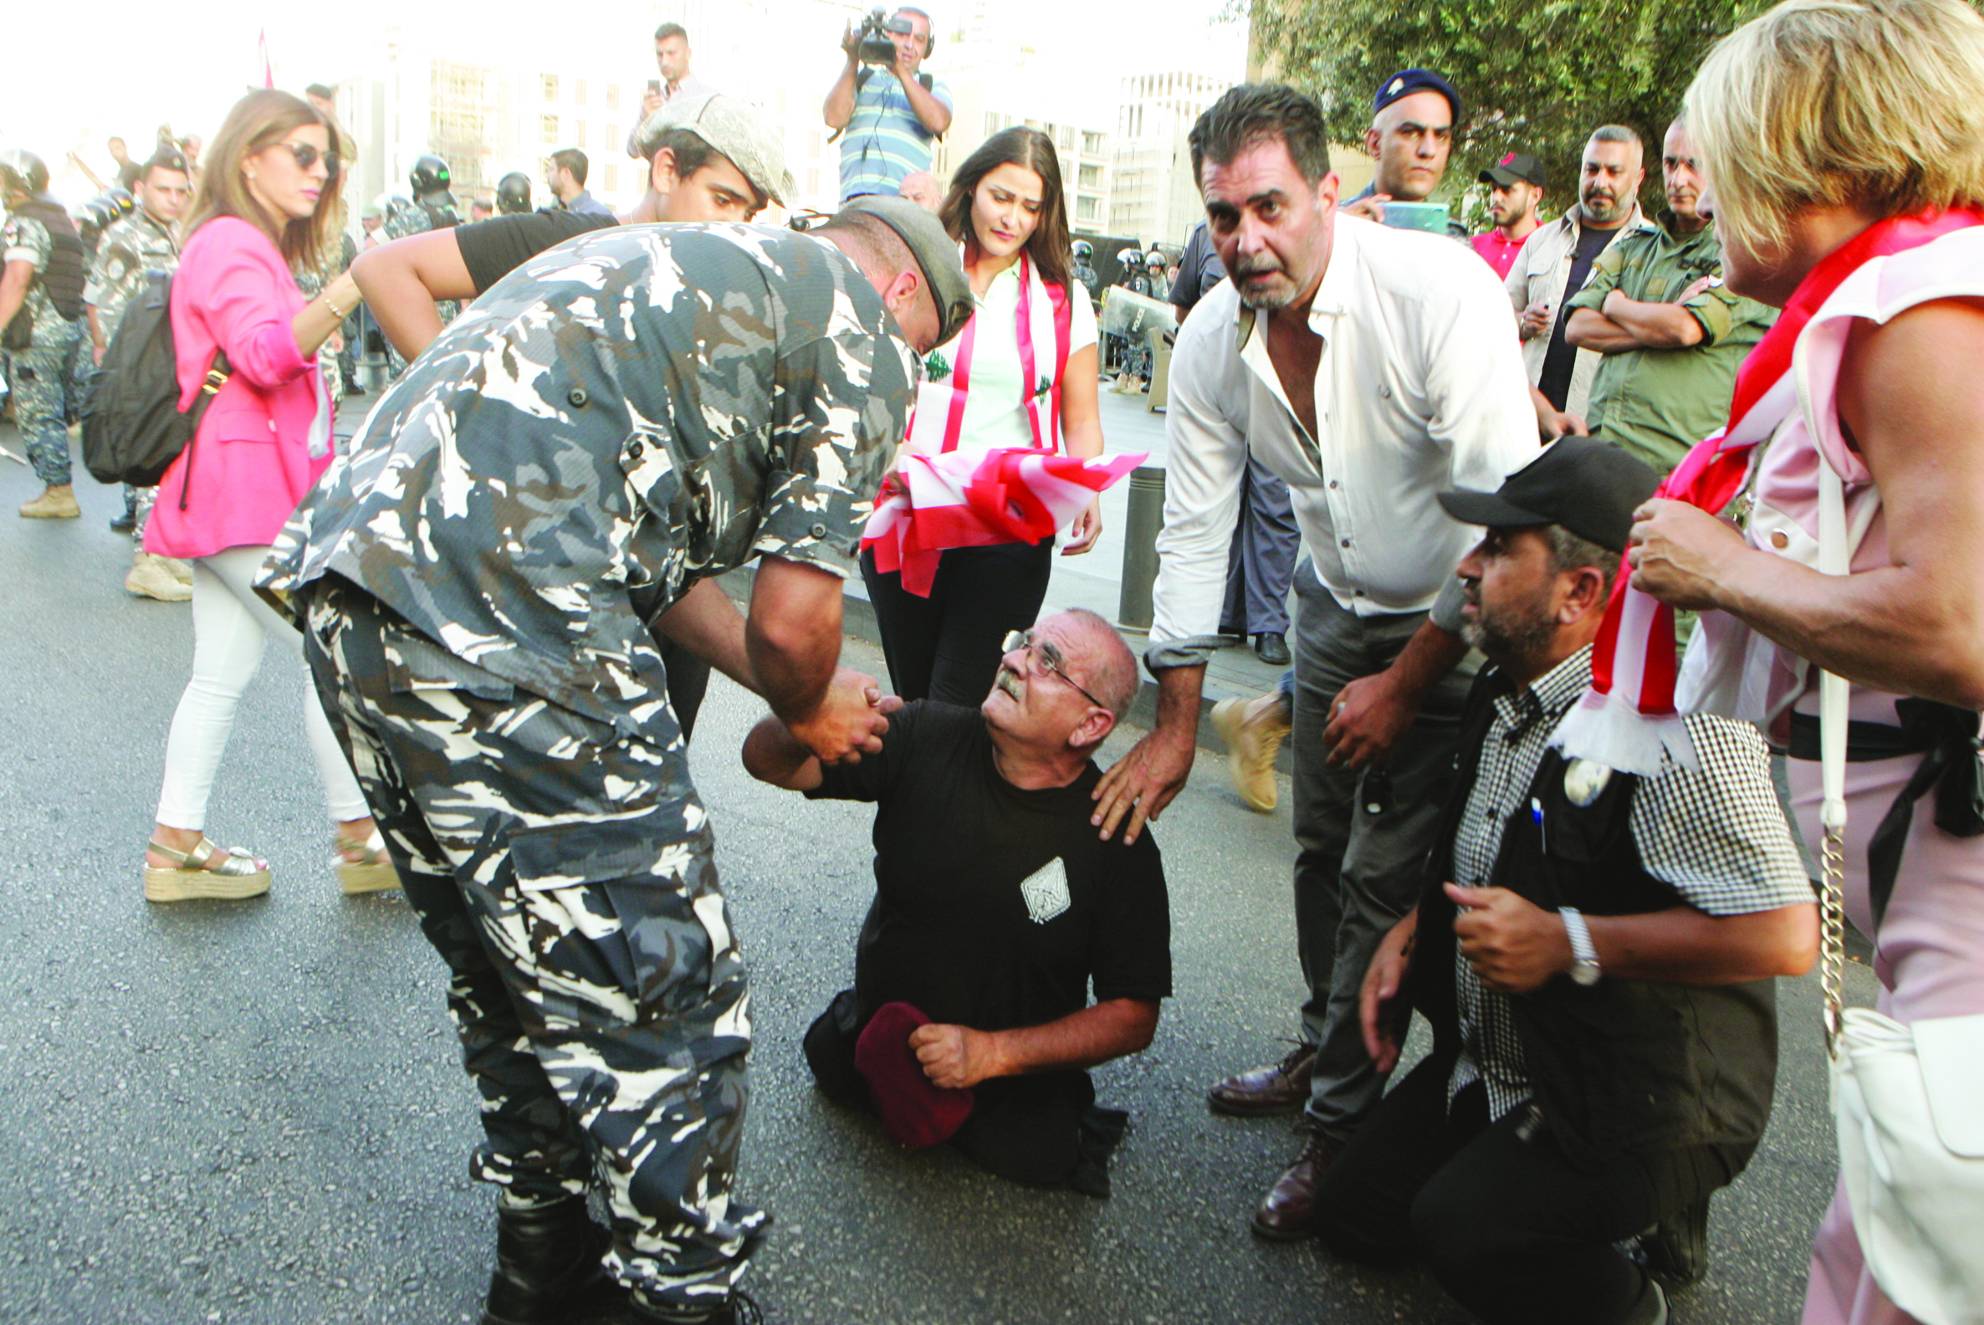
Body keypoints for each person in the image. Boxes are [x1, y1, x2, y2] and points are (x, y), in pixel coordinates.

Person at [259, 196, 971, 1325]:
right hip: (512, 617)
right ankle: (680, 1298)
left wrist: (773, 682)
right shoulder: (861, 325)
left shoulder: (656, 260)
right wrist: (808, 712)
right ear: (902, 293)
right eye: (924, 345)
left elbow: (665, 565)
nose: (909, 369)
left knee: (513, 963)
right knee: (662, 983)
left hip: (357, 593)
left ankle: (542, 1266)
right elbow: (795, 624)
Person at [1089, 84, 1536, 1238]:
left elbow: (1503, 523)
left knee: (1382, 876)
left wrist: (1407, 678)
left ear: (1332, 190)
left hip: (1458, 614)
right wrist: (1178, 718)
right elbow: (1192, 528)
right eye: (1223, 216)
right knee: (1318, 847)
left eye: (1270, 207)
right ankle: (1321, 1036)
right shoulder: (1206, 338)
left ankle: (1340, 1130)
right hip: (1328, 606)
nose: (1245, 241)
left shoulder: (1442, 292)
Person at [1609, 3, 1984, 1321]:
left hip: (1959, 872)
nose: (1700, 191)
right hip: (1923, 871)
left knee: (1902, 1256)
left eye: (1721, 155)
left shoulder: (1926, 308)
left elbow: (1959, 626)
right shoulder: (1908, 293)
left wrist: (1715, 567)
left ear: (1808, 154)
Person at [1314, 437, 1818, 1325]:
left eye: (1502, 548)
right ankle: (1539, 1183)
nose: (1467, 566)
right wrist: (1411, 935)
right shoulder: (1509, 682)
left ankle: (1636, 1294)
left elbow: (1785, 935)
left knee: (1464, 1234)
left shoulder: (1680, 726)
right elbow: (1478, 843)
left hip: (1641, 1091)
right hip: (1510, 1058)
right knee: (1355, 1211)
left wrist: (1567, 941)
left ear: (1581, 592)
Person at [351, 92, 795, 742]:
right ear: (667, 170)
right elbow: (386, 269)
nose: (732, 225)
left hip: (667, 610)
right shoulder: (572, 244)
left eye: (747, 212)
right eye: (722, 199)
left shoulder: (712, 288)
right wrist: (499, 411)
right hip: (553, 607)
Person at [745, 609, 1168, 1195]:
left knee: (1037, 1156)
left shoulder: (1114, 837)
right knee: (832, 1063)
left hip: (1010, 1086)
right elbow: (767, 763)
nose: (1015, 660)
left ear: (1088, 724)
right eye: (1025, 643)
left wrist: (990, 1055)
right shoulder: (925, 734)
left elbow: (1133, 1016)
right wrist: (806, 714)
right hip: (878, 1043)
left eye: (1049, 662)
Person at [133, 89, 388, 904]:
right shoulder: (233, 244)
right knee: (335, 656)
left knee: (221, 670)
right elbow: (265, 354)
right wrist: (352, 287)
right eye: (303, 155)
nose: (321, 172)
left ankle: (176, 843)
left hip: (230, 497)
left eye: (328, 159)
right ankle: (360, 836)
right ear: (250, 157)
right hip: (245, 499)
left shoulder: (238, 245)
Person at [858, 126, 1107, 707]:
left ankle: (925, 797)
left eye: (1030, 206)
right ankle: (914, 800)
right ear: (970, 188)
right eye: (1001, 197)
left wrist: (1088, 482)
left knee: (957, 708)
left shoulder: (1063, 297)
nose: (1011, 219)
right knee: (917, 704)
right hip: (908, 515)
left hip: (1009, 528)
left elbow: (1082, 415)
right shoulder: (916, 270)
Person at [1563, 119, 1776, 475]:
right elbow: (1577, 327)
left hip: (1678, 469)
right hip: (1603, 451)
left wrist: (1617, 305)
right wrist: (1660, 322)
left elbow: (1684, 330)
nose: (1678, 179)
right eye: (1671, 163)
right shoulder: (1636, 246)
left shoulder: (1743, 251)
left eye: (1694, 164)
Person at [84, 147, 194, 598]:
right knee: (153, 453)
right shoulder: (123, 238)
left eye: (180, 191)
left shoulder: (178, 234)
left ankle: (165, 550)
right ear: (140, 188)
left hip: (177, 362)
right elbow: (103, 308)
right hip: (143, 365)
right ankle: (149, 559)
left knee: (172, 454)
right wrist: (123, 370)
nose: (172, 198)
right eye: (162, 189)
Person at [1506, 126, 1654, 438]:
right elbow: (1498, 313)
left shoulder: (1655, 250)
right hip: (1523, 419)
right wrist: (1521, 322)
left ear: (1638, 179)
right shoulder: (1541, 240)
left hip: (1599, 430)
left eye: (1614, 172)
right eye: (1592, 169)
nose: (1601, 182)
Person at [1, 149, 89, 520]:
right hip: (71, 327)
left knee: (39, 413)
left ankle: (58, 492)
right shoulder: (60, 218)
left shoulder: (24, 221)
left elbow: (18, 278)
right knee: (67, 409)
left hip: (37, 332)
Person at [824, 6, 953, 202]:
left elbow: (939, 121)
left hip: (905, 204)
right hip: (856, 202)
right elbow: (833, 117)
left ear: (928, 48)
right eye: (902, 35)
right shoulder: (862, 79)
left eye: (919, 39)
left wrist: (899, 68)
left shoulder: (931, 86)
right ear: (887, 34)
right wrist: (853, 59)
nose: (909, 45)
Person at [1339, 69, 1469, 239]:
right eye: (1411, 133)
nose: (1428, 151)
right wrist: (1334, 237)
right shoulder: (1331, 227)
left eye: (1441, 137)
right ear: (1375, 143)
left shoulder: (1454, 241)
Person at [625, 22, 711, 159]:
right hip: (657, 177)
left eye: (671, 53)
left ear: (688, 53)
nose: (664, 61)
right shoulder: (654, 100)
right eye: (660, 54)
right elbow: (632, 151)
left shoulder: (705, 99)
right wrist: (644, 117)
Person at [1471, 150, 1543, 280]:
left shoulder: (1551, 248)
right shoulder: (1473, 248)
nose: (1496, 197)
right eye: (1494, 189)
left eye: (1507, 189)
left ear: (1535, 195)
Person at [546, 147, 612, 217]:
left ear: (566, 174)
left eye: (551, 169)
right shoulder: (553, 212)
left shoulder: (599, 216)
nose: (547, 175)